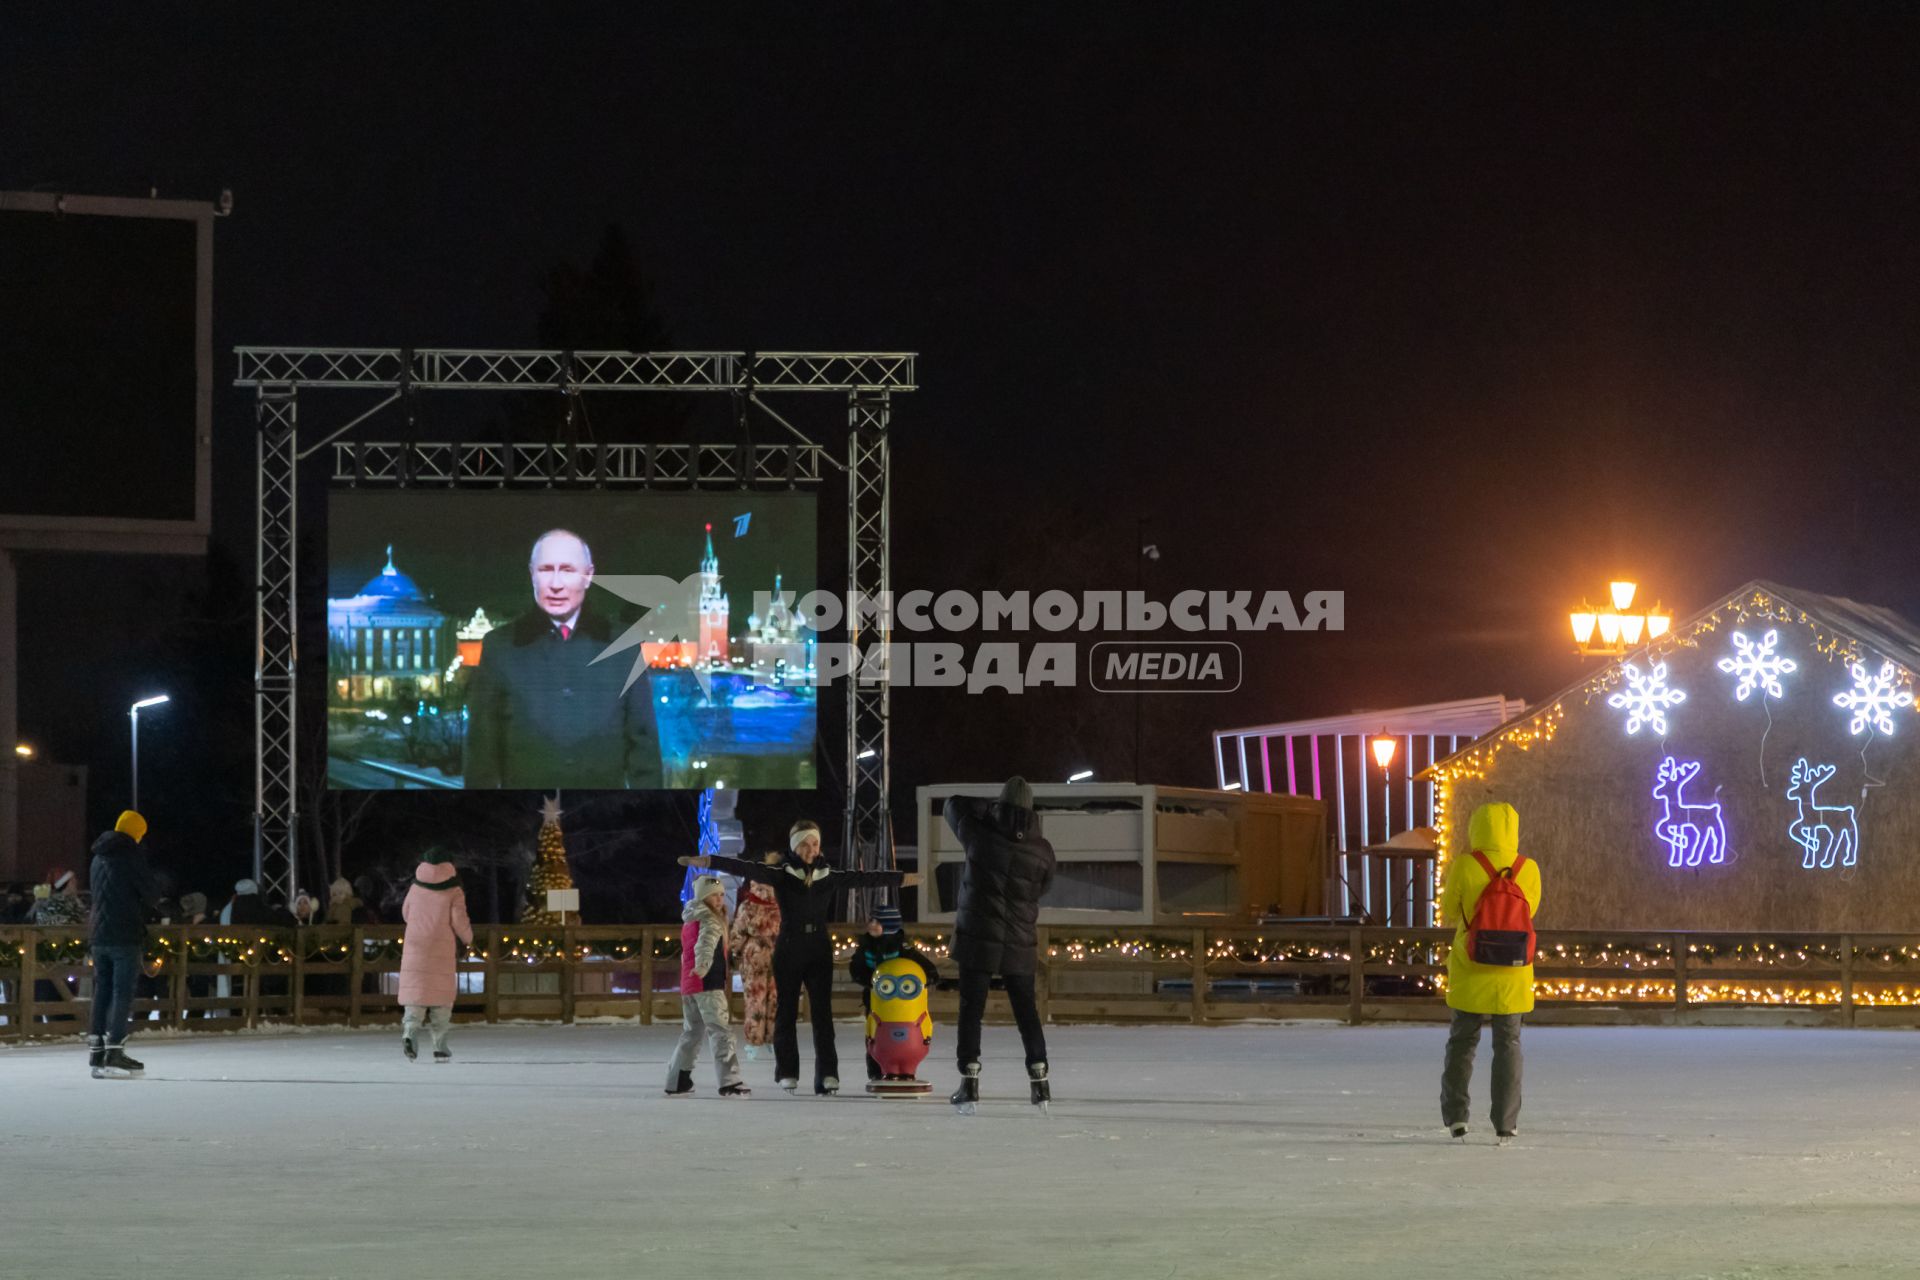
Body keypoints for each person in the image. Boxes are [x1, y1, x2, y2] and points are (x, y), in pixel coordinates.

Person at [682, 819, 918, 1095]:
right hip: (789, 947)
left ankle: (828, 1074)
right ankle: (787, 1071)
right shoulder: (782, 873)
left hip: (818, 947)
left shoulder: (827, 875)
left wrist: (902, 879)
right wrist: (708, 860)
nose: (810, 849)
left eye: (815, 843)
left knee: (822, 1015)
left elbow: (864, 878)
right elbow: (744, 867)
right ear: (795, 846)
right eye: (805, 844)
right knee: (786, 1012)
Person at [463, 528, 662, 789]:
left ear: (588, 576)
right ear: (532, 574)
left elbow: (644, 747)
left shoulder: (623, 644)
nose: (556, 584)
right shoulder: (500, 647)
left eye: (567, 570)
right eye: (546, 569)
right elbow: (481, 754)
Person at [944, 776, 1056, 1110]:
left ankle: (970, 1081)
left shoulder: (978, 834)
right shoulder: (1043, 850)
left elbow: (953, 803)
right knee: (1027, 1012)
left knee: (971, 1011)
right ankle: (1039, 1081)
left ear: (1002, 802)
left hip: (978, 939)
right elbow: (1043, 887)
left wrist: (992, 809)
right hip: (1019, 941)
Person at [1439, 801, 1541, 1144]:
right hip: (1512, 973)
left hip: (1471, 968)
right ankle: (1506, 1122)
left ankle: (1456, 1117)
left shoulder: (1465, 865)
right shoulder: (1528, 868)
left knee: (1462, 1043)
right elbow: (1532, 911)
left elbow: (1449, 911)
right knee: (1508, 1044)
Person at [666, 875, 749, 1097]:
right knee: (721, 1031)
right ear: (703, 896)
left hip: (690, 984)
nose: (720, 899)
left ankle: (677, 1080)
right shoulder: (709, 919)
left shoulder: (691, 917)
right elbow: (705, 944)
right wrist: (703, 966)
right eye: (714, 895)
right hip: (707, 982)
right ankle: (729, 1081)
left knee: (692, 1033)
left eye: (721, 894)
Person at [88, 811, 155, 1078]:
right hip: (124, 935)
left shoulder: (98, 857)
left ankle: (97, 1053)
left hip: (99, 935)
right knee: (121, 992)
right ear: (136, 833)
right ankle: (115, 1051)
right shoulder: (131, 856)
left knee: (102, 991)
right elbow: (150, 894)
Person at [397, 849, 473, 1063]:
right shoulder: (453, 890)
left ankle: (410, 1032)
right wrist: (468, 938)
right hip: (441, 947)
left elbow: (405, 913)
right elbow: (459, 920)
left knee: (416, 992)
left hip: (416, 946)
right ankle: (440, 1044)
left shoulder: (415, 888)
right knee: (441, 997)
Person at [849, 904, 941, 1081]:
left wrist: (929, 976)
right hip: (877, 1002)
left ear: (889, 927)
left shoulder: (901, 948)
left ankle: (906, 1067)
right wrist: (868, 980)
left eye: (877, 922)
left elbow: (924, 965)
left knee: (904, 1037)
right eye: (872, 921)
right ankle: (876, 1071)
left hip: (903, 1008)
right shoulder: (866, 947)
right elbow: (856, 968)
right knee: (875, 1036)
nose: (871, 925)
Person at [727, 855, 783, 1060]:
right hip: (777, 953)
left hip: (754, 954)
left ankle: (753, 1041)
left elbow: (739, 932)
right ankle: (772, 1038)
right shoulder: (782, 902)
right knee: (775, 997)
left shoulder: (749, 904)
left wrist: (734, 952)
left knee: (754, 997)